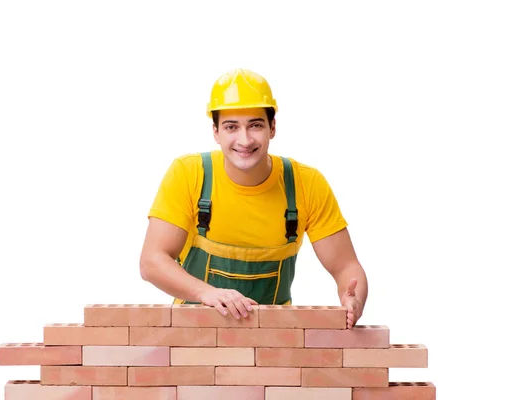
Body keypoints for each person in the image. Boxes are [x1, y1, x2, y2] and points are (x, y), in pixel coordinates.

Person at [139, 68, 368, 329]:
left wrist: (354, 300)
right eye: (231, 127)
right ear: (216, 132)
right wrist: (207, 293)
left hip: (273, 340)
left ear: (272, 128)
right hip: (193, 337)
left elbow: (346, 267)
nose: (244, 140)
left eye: (255, 125)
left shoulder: (306, 184)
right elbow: (152, 262)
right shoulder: (190, 175)